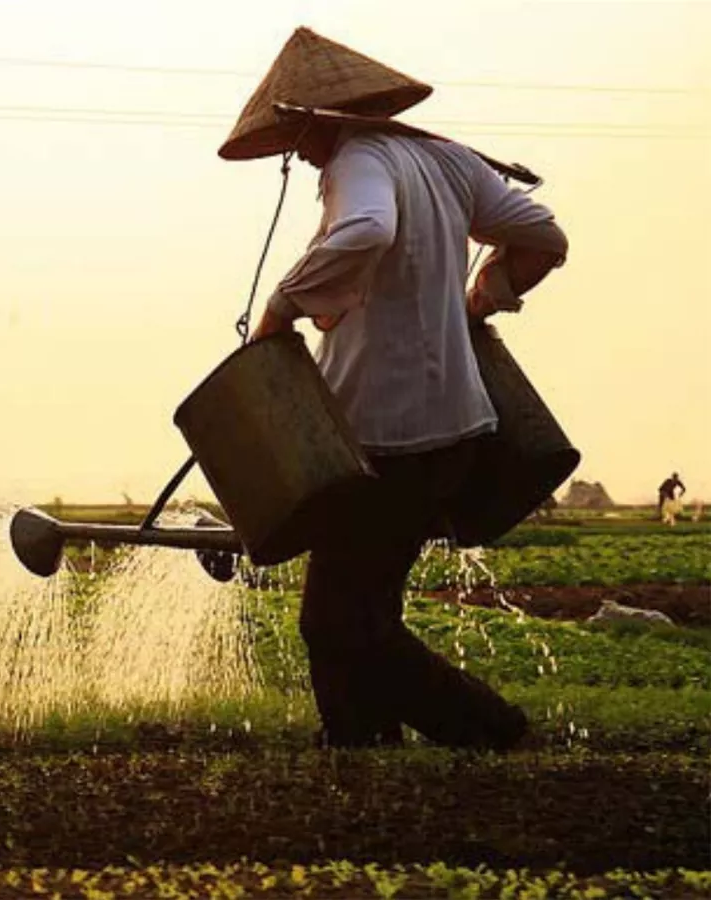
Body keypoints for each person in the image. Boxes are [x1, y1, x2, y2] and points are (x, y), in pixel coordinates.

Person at [224, 28, 568, 749]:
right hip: (452, 433)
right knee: (357, 606)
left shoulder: (357, 160)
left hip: (390, 436)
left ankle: (495, 732)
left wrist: (283, 309)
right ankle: (360, 743)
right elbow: (544, 236)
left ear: (319, 119)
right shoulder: (447, 161)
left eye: (297, 134)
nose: (297, 151)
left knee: (339, 621)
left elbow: (367, 230)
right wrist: (485, 293)